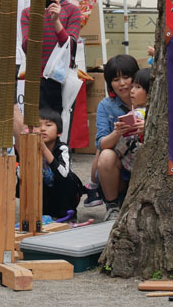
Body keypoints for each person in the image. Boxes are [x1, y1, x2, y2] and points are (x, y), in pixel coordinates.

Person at [20, 0, 82, 114]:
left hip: (61, 78)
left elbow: (70, 46)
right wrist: (39, 16)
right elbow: (27, 47)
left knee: (58, 124)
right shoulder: (28, 13)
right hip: (36, 77)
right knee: (37, 123)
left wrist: (56, 21)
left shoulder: (73, 11)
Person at [14, 106, 85, 221]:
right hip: (43, 200)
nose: (42, 129)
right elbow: (21, 178)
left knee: (70, 179)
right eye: (37, 125)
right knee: (24, 181)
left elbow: (64, 175)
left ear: (59, 132)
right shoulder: (29, 149)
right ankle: (35, 214)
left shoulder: (62, 148)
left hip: (62, 199)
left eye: (48, 125)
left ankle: (68, 215)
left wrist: (44, 149)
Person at [91, 54, 139, 220]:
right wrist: (117, 132)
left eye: (126, 77)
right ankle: (112, 207)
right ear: (110, 83)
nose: (122, 83)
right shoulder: (106, 105)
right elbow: (101, 143)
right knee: (105, 155)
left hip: (144, 161)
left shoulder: (152, 98)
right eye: (116, 79)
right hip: (119, 165)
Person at [113, 67, 149, 175]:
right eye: (132, 86)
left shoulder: (136, 115)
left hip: (130, 166)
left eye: (138, 87)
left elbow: (120, 148)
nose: (132, 91)